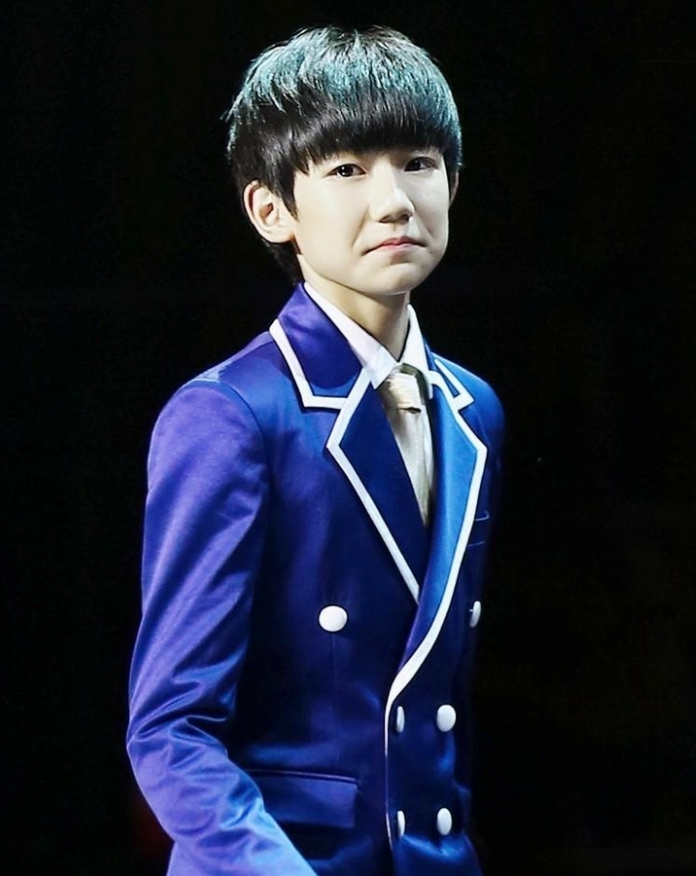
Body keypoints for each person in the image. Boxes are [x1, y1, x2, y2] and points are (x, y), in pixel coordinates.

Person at [126, 25, 504, 876]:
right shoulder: (231, 416)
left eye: (418, 162)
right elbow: (172, 729)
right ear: (272, 209)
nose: (394, 200)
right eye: (346, 170)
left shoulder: (472, 409)